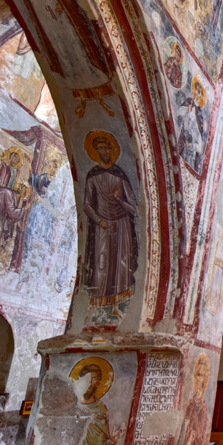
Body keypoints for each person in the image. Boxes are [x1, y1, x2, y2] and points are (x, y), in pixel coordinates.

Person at [82, 133, 138, 316]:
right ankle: (97, 311)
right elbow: (87, 205)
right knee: (102, 263)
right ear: (96, 151)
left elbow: (135, 209)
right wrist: (99, 221)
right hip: (103, 226)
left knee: (122, 266)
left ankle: (118, 308)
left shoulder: (120, 176)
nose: (103, 151)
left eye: (106, 148)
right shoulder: (92, 176)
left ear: (111, 150)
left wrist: (119, 200)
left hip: (121, 224)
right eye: (100, 149)